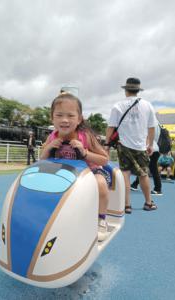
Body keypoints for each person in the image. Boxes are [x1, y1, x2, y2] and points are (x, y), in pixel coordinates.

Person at [41, 92, 110, 241]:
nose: (64, 120)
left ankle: (101, 219)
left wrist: (85, 152)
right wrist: (49, 147)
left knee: (101, 183)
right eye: (59, 115)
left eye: (70, 116)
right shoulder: (52, 136)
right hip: (64, 173)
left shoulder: (86, 136)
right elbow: (42, 158)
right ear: (52, 117)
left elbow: (104, 159)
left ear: (79, 119)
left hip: (90, 172)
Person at [105, 77, 157, 214]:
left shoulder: (118, 106)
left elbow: (111, 127)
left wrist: (106, 144)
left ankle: (126, 205)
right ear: (138, 90)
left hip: (124, 146)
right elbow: (152, 128)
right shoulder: (148, 105)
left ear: (126, 90)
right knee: (144, 174)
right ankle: (148, 203)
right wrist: (150, 144)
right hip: (141, 146)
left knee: (125, 175)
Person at [131, 123, 162, 195]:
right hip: (155, 149)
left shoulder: (148, 123)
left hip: (150, 150)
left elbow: (147, 137)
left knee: (151, 169)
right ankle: (134, 184)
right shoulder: (157, 125)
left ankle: (158, 189)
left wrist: (143, 148)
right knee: (144, 168)